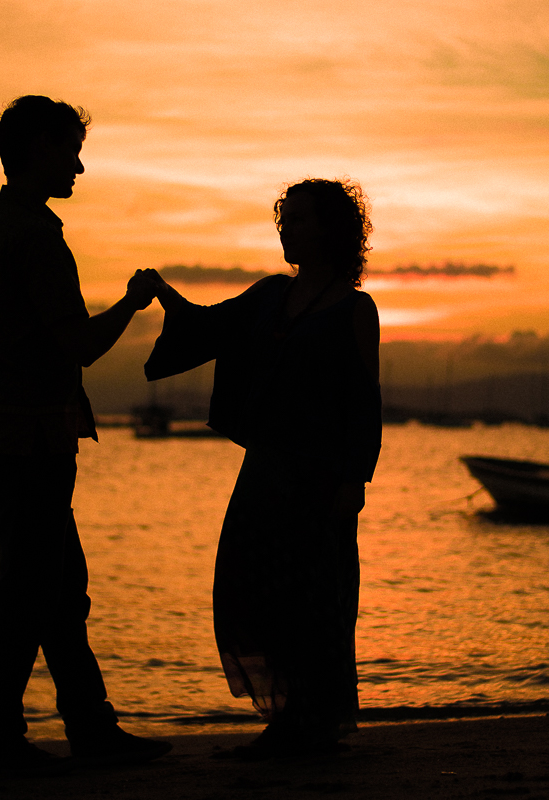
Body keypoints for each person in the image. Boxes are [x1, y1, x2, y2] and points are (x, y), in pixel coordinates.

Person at [0, 95, 171, 777]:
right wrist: (133, 308)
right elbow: (76, 345)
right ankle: (4, 739)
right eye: (68, 149)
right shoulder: (34, 236)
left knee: (47, 584)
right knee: (35, 587)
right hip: (28, 439)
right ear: (37, 148)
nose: (79, 164)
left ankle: (78, 728)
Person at [144, 178, 382, 757]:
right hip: (267, 469)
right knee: (251, 588)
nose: (286, 228)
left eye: (299, 219)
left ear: (330, 229)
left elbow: (363, 403)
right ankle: (286, 716)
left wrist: (354, 483)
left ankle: (312, 721)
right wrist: (162, 294)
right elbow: (207, 327)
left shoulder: (355, 308)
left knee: (316, 598)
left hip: (321, 478)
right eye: (284, 218)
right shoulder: (271, 296)